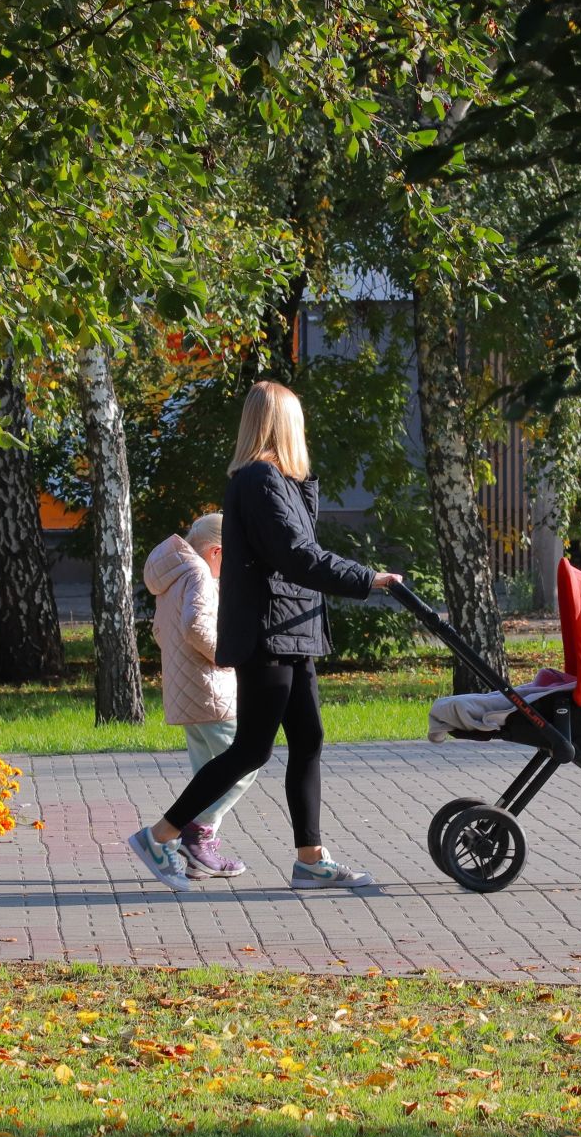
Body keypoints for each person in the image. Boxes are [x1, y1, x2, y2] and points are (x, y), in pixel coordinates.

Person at [130, 380, 402, 892]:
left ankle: (310, 858)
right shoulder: (258, 480)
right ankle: (160, 835)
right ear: (283, 424)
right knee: (252, 748)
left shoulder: (278, 481)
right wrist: (368, 579)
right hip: (268, 631)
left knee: (308, 740)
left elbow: (296, 545)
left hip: (290, 628)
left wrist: (305, 486)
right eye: (297, 419)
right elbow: (297, 555)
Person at [141, 512, 254, 879]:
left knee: (207, 772)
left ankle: (195, 853)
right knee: (243, 764)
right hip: (211, 688)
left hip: (187, 689)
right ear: (216, 552)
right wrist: (230, 656)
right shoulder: (200, 574)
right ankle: (196, 835)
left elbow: (162, 631)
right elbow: (196, 626)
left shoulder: (172, 576)